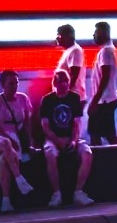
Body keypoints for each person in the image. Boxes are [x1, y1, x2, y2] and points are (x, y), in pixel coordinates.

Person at [40, 70, 94, 207]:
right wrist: (57, 140)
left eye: (66, 82)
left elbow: (77, 124)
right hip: (53, 139)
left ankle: (78, 192)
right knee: (50, 153)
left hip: (71, 138)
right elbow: (45, 126)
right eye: (61, 82)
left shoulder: (74, 98)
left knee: (87, 153)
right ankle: (56, 194)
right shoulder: (47, 100)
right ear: (55, 83)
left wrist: (73, 140)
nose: (64, 85)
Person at [0, 70, 34, 213]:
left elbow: (27, 124)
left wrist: (28, 142)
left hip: (16, 135)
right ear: (3, 85)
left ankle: (5, 201)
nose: (15, 86)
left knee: (3, 160)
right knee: (6, 144)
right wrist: (10, 139)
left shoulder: (23, 99)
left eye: (16, 83)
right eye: (11, 83)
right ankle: (19, 178)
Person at [88, 21, 117, 145]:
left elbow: (105, 76)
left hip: (104, 101)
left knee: (96, 135)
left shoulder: (106, 51)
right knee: (108, 134)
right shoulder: (110, 49)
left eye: (96, 32)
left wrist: (94, 101)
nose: (94, 35)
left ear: (105, 33)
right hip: (107, 100)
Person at [55, 24, 87, 108]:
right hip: (68, 97)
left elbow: (73, 75)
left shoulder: (75, 50)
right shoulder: (69, 50)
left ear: (69, 36)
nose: (57, 38)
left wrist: (65, 95)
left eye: (59, 35)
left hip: (72, 98)